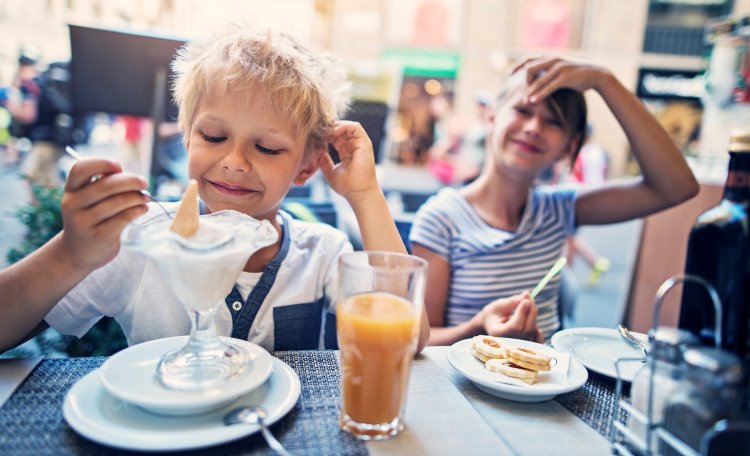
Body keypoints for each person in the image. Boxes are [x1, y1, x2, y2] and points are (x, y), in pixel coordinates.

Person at [0, 29, 428, 354]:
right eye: (213, 136)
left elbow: (408, 339)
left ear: (307, 165)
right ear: (187, 136)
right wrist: (72, 254)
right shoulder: (138, 241)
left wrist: (366, 195)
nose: (235, 161)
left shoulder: (322, 253)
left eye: (266, 147)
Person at [410, 57, 699, 346]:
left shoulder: (558, 208)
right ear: (492, 117)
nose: (534, 127)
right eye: (523, 110)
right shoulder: (441, 218)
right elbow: (421, 337)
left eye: (553, 122)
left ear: (570, 146)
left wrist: (604, 81)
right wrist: (479, 328)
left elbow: (676, 186)